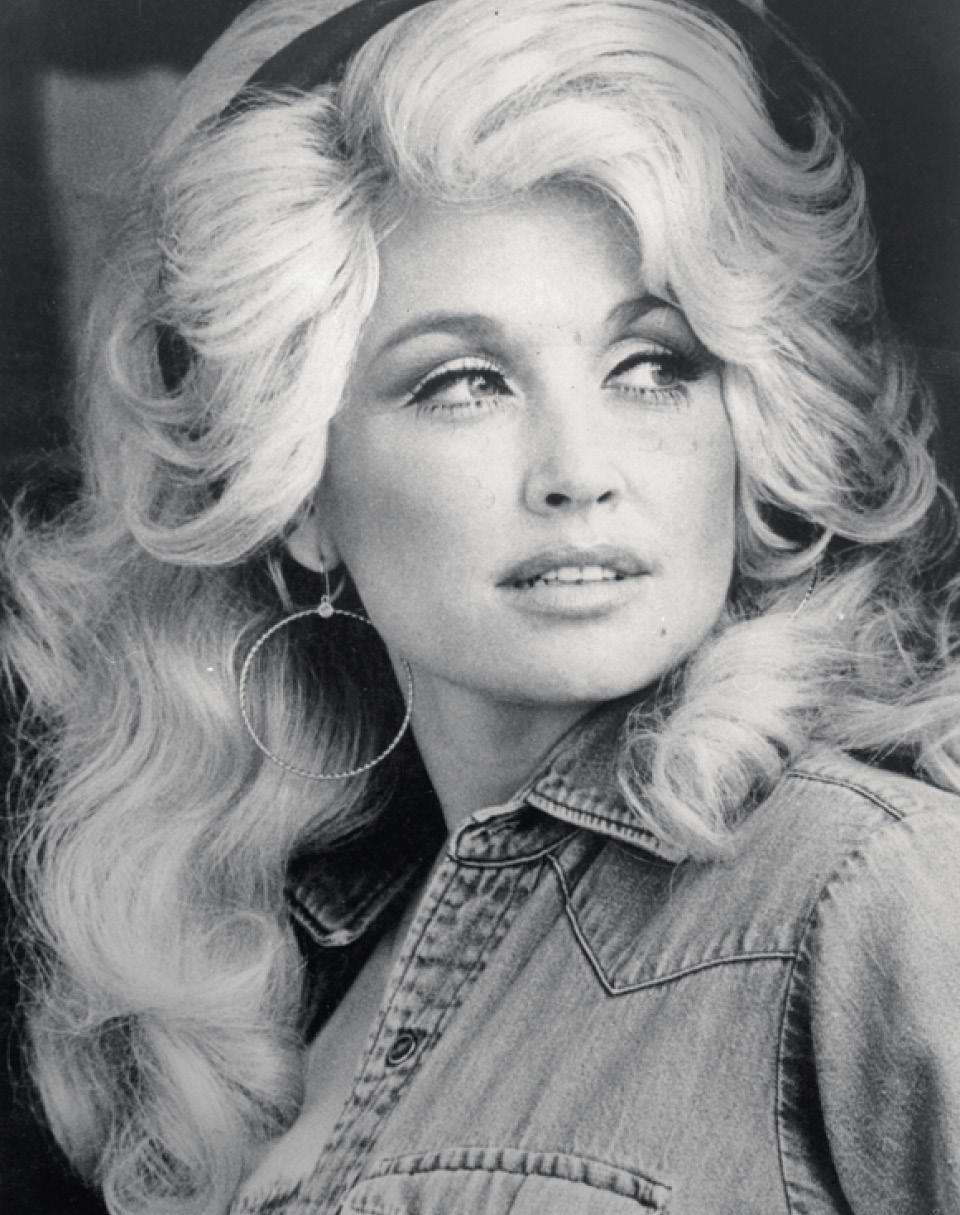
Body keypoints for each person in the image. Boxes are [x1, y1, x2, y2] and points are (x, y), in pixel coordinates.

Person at [2, 0, 959, 1211]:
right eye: (463, 383)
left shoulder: (871, 883)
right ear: (296, 492)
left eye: (652, 366)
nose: (579, 470)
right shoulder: (290, 974)